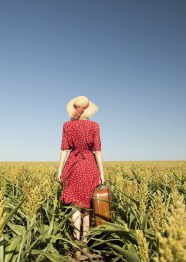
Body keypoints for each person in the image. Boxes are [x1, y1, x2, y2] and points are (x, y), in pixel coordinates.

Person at [57, 95, 105, 259]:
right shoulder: (94, 126)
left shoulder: (67, 126)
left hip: (73, 165)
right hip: (89, 166)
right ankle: (84, 247)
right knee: (87, 208)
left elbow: (64, 149)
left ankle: (76, 247)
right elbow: (97, 150)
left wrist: (60, 170)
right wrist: (102, 173)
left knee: (75, 207)